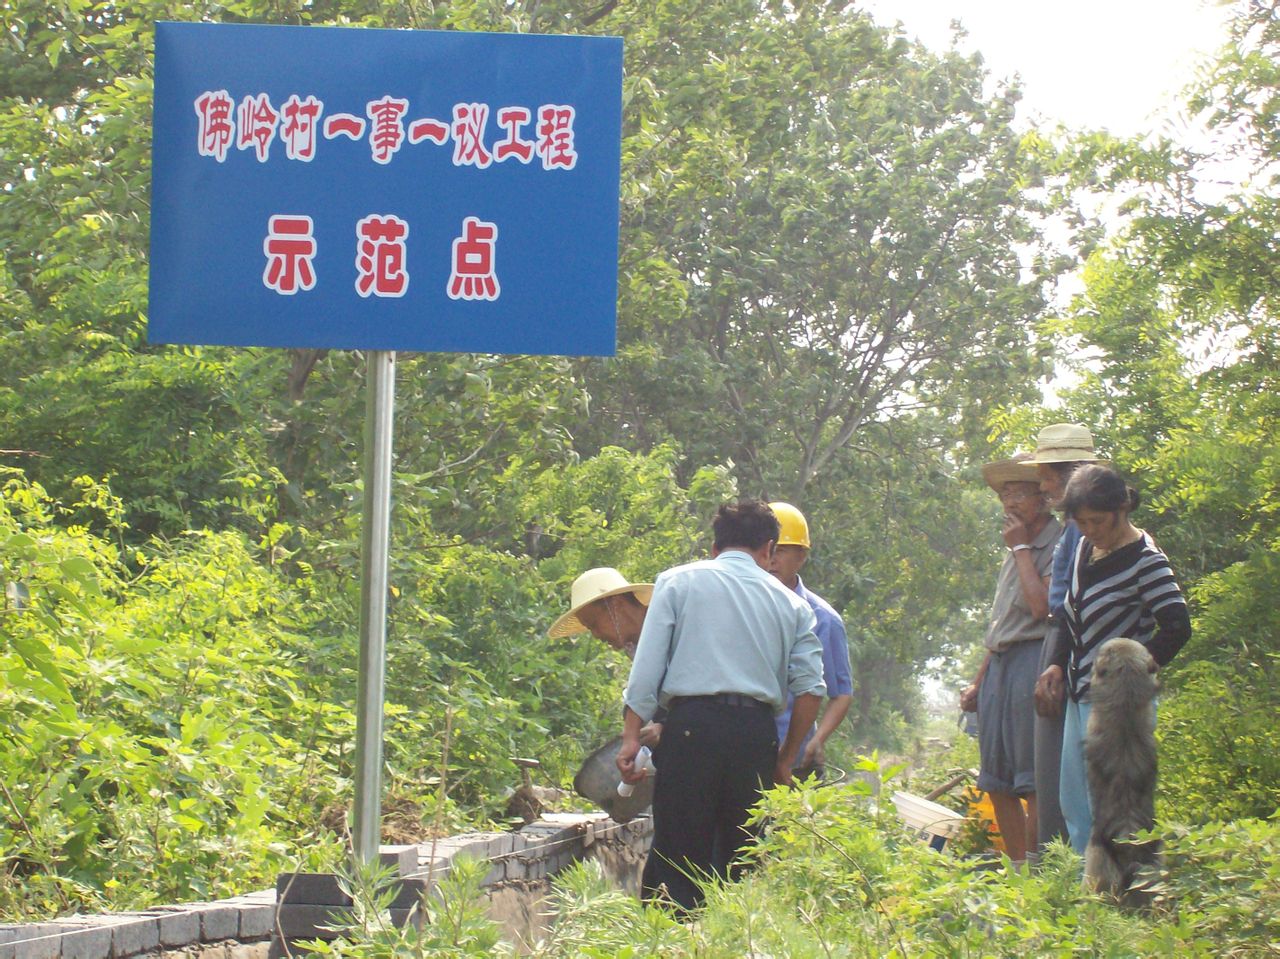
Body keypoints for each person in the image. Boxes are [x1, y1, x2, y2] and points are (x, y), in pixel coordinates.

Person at [618, 500, 826, 912]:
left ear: (714, 547)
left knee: (677, 850)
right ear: (768, 549)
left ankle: (670, 941)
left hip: (690, 728)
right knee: (741, 858)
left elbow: (647, 669)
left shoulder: (677, 582)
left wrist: (630, 739)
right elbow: (811, 690)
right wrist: (785, 759)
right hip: (755, 735)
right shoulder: (794, 605)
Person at [1034, 464, 1190, 854]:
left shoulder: (1146, 560)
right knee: (1076, 802)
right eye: (1082, 522)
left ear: (1122, 509)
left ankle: (1128, 891)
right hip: (1079, 692)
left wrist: (1133, 669)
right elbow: (1070, 615)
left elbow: (1177, 626)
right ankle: (1087, 894)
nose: (1090, 530)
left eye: (1098, 521)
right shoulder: (1086, 549)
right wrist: (1055, 664)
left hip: (1120, 702)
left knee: (1118, 807)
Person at [960, 456, 1061, 865]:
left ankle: (1038, 868)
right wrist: (978, 683)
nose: (1009, 503)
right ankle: (1015, 870)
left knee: (1030, 775)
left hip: (1034, 660)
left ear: (1042, 498)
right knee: (996, 777)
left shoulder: (1057, 542)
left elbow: (1042, 609)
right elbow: (1000, 627)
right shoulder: (1011, 548)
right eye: (1004, 494)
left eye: (1018, 493)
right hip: (1001, 664)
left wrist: (1020, 547)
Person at [1026, 423, 1100, 852]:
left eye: (1048, 476)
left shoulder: (1084, 529)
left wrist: (1056, 661)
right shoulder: (1073, 527)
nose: (1043, 485)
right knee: (1062, 774)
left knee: (1066, 773)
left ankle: (1072, 869)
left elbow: (1067, 606)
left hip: (1074, 656)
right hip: (1063, 654)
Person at [767, 501, 853, 781]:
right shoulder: (737, 610)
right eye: (767, 551)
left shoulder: (824, 619)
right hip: (743, 753)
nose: (772, 561)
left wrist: (818, 740)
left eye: (780, 551)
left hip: (795, 759)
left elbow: (840, 693)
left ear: (801, 557)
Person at [548, 567, 662, 747]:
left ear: (616, 605)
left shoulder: (667, 626)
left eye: (594, 624)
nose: (596, 635)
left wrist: (667, 727)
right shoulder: (634, 645)